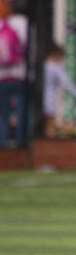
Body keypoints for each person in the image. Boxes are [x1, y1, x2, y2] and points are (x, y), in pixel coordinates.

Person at [44, 45, 76, 138]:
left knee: (48, 124)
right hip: (51, 99)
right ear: (56, 55)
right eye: (61, 57)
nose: (61, 60)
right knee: (51, 125)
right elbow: (67, 84)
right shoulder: (55, 68)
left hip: (43, 98)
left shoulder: (45, 65)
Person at [0, 0, 27, 148]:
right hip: (18, 75)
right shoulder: (23, 23)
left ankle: (4, 145)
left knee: (3, 114)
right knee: (20, 112)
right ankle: (20, 144)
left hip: (4, 77)